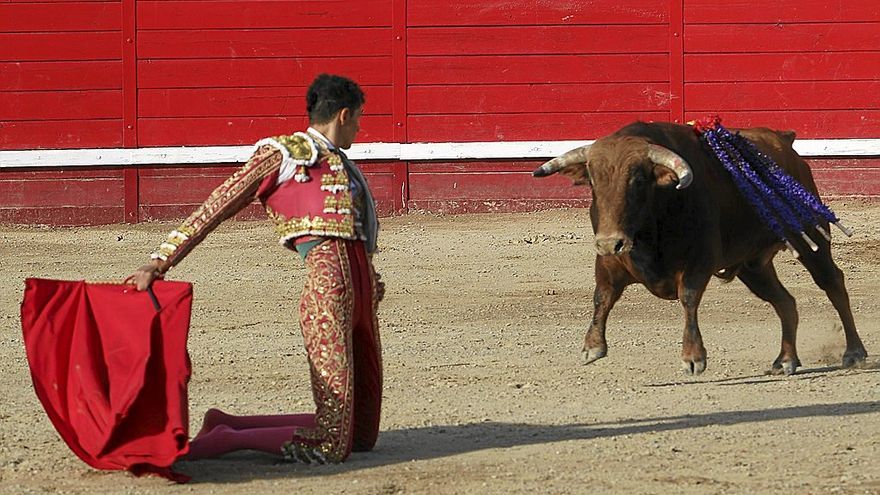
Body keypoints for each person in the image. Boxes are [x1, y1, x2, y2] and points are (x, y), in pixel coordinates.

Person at [129, 74, 384, 464]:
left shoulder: (341, 163)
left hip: (363, 298)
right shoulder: (282, 155)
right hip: (327, 293)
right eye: (359, 119)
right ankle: (224, 440)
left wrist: (371, 277)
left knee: (362, 435)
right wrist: (160, 261)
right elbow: (218, 205)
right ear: (344, 115)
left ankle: (226, 422)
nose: (360, 127)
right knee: (332, 446)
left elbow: (356, 234)